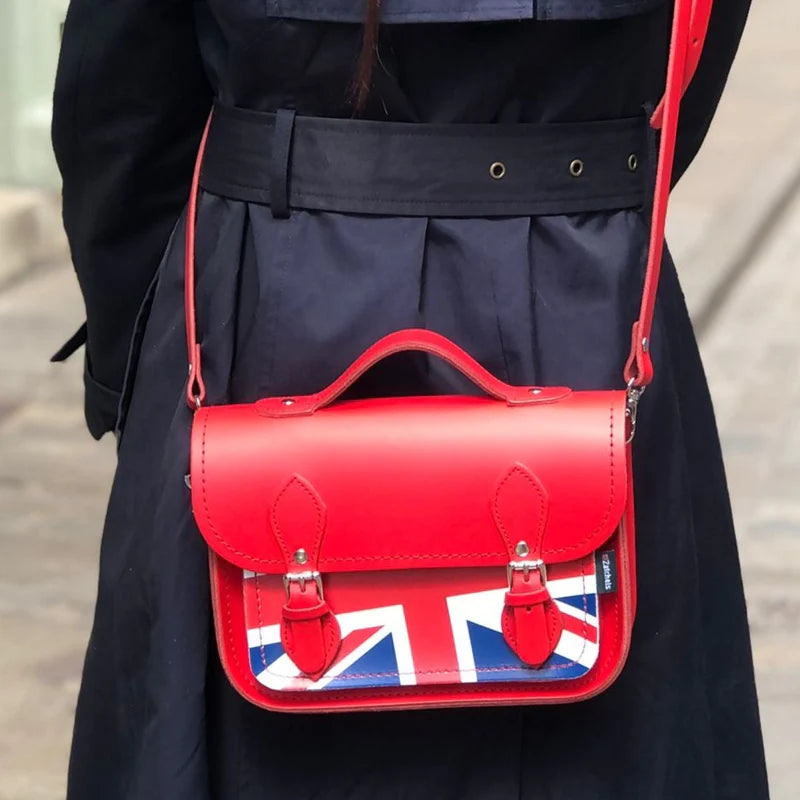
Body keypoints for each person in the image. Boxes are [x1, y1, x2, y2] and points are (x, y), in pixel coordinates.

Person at [52, 1, 769, 797]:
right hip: (586, 296)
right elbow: (688, 55)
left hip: (263, 315)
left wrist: (131, 371)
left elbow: (122, 108)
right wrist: (594, 187)